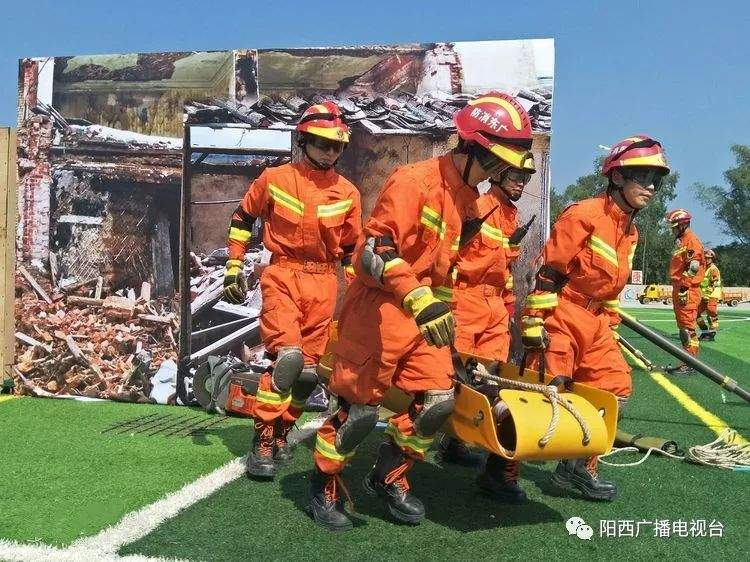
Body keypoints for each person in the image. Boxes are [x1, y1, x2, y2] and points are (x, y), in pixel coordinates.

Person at [307, 93, 536, 531]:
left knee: (437, 404)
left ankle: (389, 474)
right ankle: (324, 484)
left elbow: (449, 269)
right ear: (470, 147)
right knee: (359, 413)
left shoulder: (470, 201)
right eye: (491, 161)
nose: (495, 172)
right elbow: (376, 251)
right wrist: (416, 296)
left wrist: (448, 326)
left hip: (427, 316)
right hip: (381, 311)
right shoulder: (413, 181)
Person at [522, 135, 670, 501]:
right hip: (562, 312)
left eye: (656, 180)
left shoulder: (630, 231)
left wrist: (612, 327)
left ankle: (575, 469)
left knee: (614, 390)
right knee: (547, 395)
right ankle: (500, 471)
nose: (650, 187)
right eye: (642, 177)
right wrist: (534, 321)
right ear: (617, 178)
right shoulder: (584, 214)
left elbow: (612, 288)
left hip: (597, 321)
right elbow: (548, 272)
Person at [223, 101, 362, 479]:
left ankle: (284, 428)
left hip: (324, 283)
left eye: (336, 145)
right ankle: (263, 438)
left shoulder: (348, 193)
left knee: (308, 375)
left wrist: (353, 299)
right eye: (322, 143)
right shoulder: (274, 179)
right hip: (283, 275)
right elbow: (242, 219)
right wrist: (234, 263)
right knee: (288, 360)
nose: (330, 151)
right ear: (303, 140)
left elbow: (351, 252)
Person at [439, 153, 537, 505]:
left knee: (494, 381)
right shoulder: (477, 205)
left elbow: (504, 266)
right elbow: (451, 255)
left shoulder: (511, 215)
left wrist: (508, 305)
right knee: (465, 379)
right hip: (466, 301)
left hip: (495, 306)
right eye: (514, 174)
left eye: (524, 178)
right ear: (497, 173)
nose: (520, 182)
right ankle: (454, 443)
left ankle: (466, 453)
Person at [665, 208, 705, 370]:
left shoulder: (692, 241)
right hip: (680, 288)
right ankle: (687, 360)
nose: (672, 229)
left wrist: (684, 287)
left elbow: (694, 266)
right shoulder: (682, 240)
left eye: (674, 226)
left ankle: (689, 363)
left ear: (682, 225)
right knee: (683, 327)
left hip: (687, 290)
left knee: (687, 328)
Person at [696, 249, 721, 341]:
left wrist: (707, 294)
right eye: (705, 258)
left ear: (713, 259)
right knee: (696, 313)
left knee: (711, 312)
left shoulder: (713, 269)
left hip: (712, 295)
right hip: (704, 295)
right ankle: (704, 331)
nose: (706, 260)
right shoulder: (704, 269)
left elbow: (713, 283)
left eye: (709, 258)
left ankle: (711, 334)